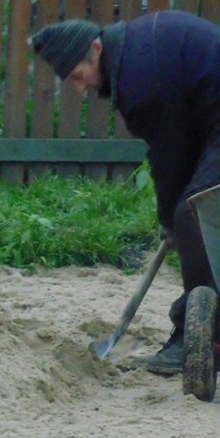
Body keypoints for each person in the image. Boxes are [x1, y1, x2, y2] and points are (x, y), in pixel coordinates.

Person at [31, 10, 219, 375]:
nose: (80, 88)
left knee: (193, 213)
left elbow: (170, 158)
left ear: (96, 49)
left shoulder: (139, 80)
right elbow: (181, 139)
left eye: (78, 75)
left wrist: (169, 220)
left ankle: (195, 338)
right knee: (194, 209)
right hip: (210, 122)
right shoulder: (137, 54)